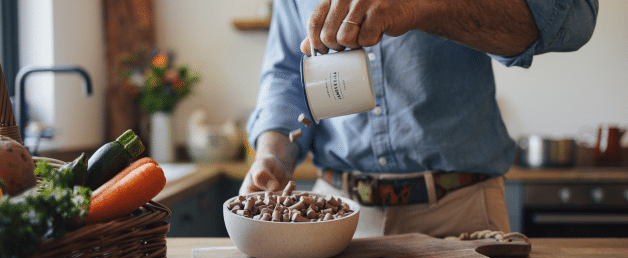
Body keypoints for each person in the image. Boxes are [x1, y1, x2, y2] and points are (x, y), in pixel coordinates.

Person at [240, 0, 599, 238]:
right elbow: (289, 74)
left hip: (461, 214)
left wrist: (423, 6)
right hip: (335, 215)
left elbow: (570, 16)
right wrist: (272, 156)